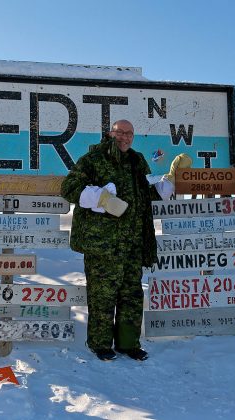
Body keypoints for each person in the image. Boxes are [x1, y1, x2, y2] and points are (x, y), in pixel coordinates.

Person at [61, 120, 186, 361]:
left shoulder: (136, 161)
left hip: (133, 243)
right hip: (104, 244)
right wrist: (99, 197)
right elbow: (69, 187)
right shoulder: (94, 159)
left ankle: (129, 344)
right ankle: (100, 344)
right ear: (111, 133)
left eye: (129, 133)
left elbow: (141, 195)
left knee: (131, 294)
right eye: (120, 132)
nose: (125, 137)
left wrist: (165, 184)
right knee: (103, 295)